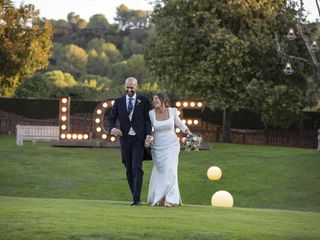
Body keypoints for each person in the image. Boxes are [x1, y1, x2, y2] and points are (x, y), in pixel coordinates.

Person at [108, 77, 152, 206]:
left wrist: (148, 135)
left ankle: (136, 199)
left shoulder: (144, 101)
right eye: (127, 87)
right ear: (124, 86)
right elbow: (111, 119)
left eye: (132, 87)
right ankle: (135, 195)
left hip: (139, 140)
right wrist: (113, 129)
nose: (129, 89)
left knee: (136, 167)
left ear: (136, 87)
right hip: (125, 140)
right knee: (128, 169)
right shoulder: (118, 102)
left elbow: (147, 120)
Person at [145, 93, 191, 207]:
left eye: (156, 99)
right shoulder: (151, 114)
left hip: (172, 144)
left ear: (162, 100)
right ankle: (160, 197)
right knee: (161, 171)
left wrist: (190, 134)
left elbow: (180, 124)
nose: (154, 101)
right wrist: (148, 138)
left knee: (170, 169)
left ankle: (169, 199)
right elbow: (149, 130)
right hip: (158, 146)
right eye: (153, 100)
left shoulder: (172, 111)